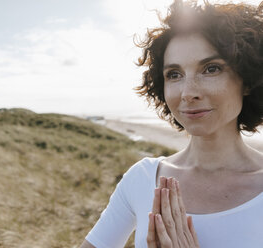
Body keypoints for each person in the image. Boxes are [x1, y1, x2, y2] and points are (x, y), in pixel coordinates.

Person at [80, 0, 263, 247]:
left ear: (248, 79)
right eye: (174, 74)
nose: (188, 92)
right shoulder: (142, 178)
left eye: (211, 69)